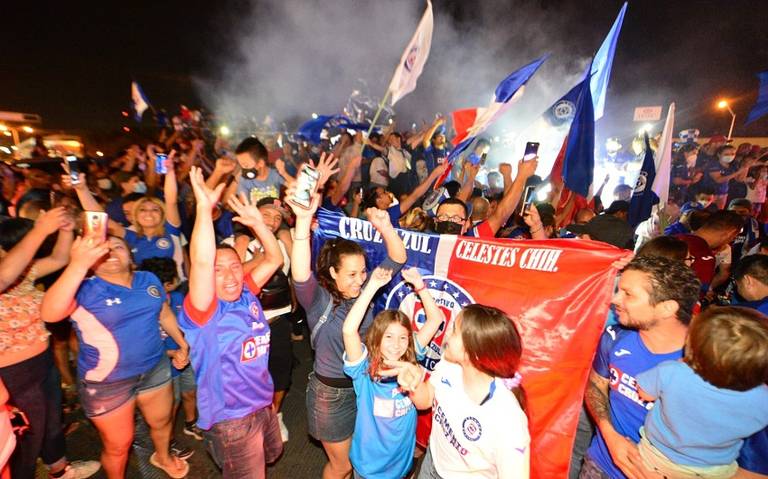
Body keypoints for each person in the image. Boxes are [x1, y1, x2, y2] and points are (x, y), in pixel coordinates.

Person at [290, 155, 407, 479]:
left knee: (357, 456)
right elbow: (300, 271)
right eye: (352, 274)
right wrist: (303, 221)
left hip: (364, 388)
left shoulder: (366, 291)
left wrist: (384, 227)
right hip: (331, 395)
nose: (360, 280)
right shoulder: (318, 300)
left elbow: (398, 257)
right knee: (342, 465)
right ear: (332, 272)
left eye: (363, 272)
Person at [41, 233, 190, 479]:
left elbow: (163, 312)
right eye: (102, 249)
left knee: (162, 422)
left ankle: (162, 457)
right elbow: (49, 312)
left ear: (130, 255)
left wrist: (182, 342)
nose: (110, 253)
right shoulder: (83, 288)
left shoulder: (148, 278)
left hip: (155, 367)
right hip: (108, 383)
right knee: (119, 445)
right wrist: (77, 264)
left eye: (117, 247)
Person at [177, 166, 285, 478]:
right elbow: (200, 260)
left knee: (273, 454)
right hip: (232, 418)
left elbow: (274, 259)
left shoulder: (246, 293)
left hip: (262, 403)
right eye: (218, 269)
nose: (229, 276)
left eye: (235, 267)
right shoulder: (204, 309)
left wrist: (257, 225)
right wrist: (203, 208)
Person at [0, 211, 101, 479]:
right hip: (10, 373)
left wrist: (66, 231)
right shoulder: (6, 271)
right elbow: (3, 277)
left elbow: (59, 258)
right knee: (24, 436)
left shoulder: (23, 269)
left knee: (51, 419)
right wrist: (41, 230)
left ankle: (59, 468)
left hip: (41, 359)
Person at [581, 256, 701, 479]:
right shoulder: (613, 337)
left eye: (628, 294)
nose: (615, 299)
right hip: (600, 464)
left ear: (667, 308)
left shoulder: (710, 363)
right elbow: (596, 385)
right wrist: (610, 435)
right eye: (619, 290)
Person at [384, 304, 529, 478]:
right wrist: (412, 385)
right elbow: (426, 399)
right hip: (432, 462)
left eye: (454, 332)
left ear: (473, 353)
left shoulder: (508, 420)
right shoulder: (449, 365)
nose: (447, 339)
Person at [633, 306, 768, 478]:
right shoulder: (763, 398)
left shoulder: (674, 371)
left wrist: (682, 363)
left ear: (692, 348)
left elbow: (645, 393)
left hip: (657, 457)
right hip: (715, 469)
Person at [342, 266, 444, 479]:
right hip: (369, 467)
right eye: (388, 337)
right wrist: (372, 287)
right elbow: (349, 330)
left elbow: (435, 320)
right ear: (377, 338)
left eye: (402, 338)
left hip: (401, 463)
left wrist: (420, 286)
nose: (396, 345)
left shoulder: (410, 356)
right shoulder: (364, 369)